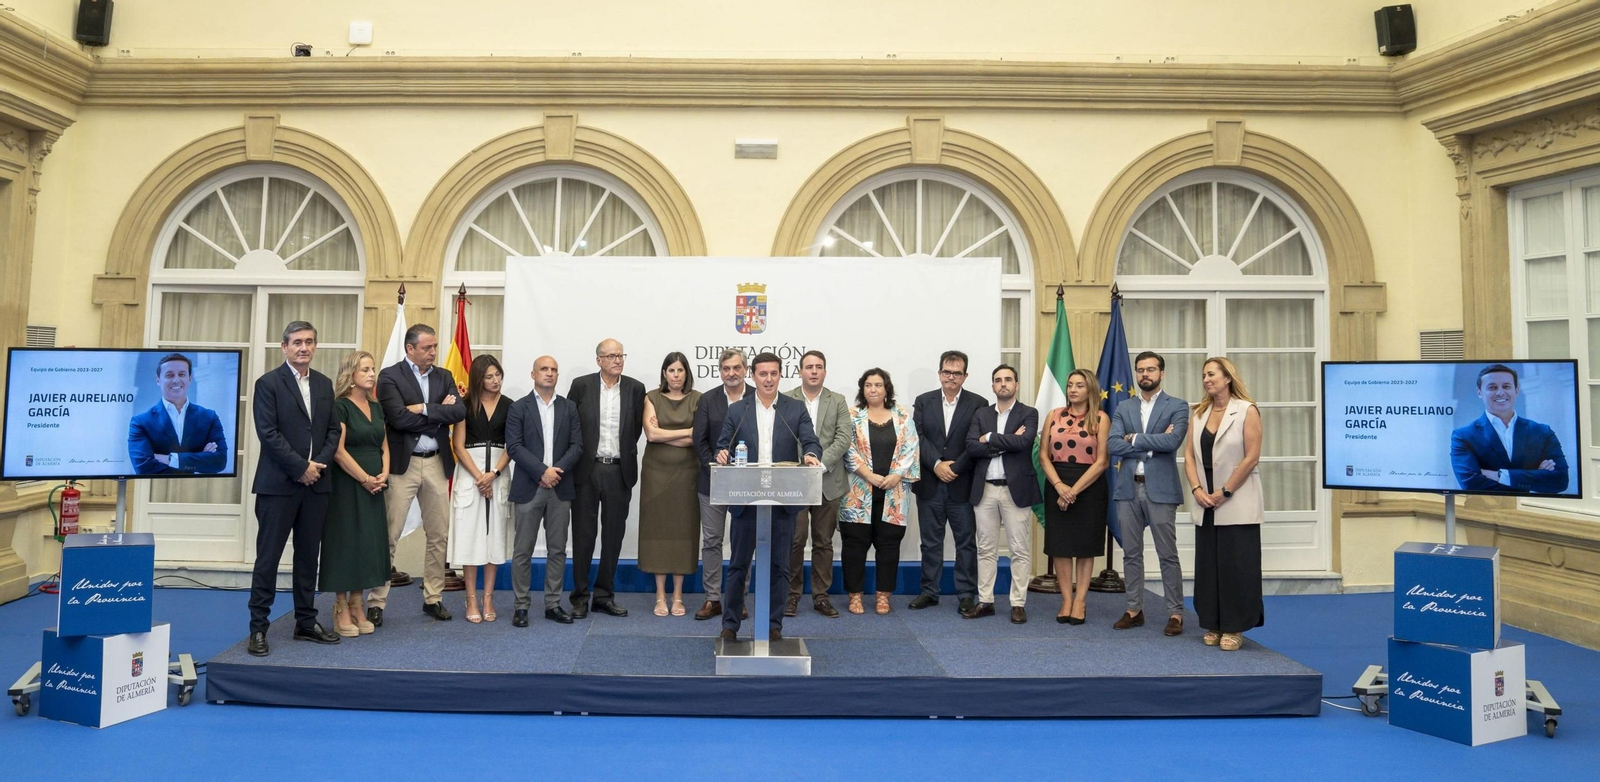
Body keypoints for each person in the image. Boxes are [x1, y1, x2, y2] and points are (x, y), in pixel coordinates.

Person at [246, 321, 341, 656]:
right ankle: (258, 628)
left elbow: (333, 432)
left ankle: (305, 622)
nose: (304, 347)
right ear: (284, 347)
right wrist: (301, 467)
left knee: (307, 557)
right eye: (297, 342)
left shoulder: (325, 384)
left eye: (310, 342)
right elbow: (268, 433)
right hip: (278, 486)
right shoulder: (268, 383)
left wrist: (316, 468)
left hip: (316, 485)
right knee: (268, 558)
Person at [714, 352, 822, 642]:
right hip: (746, 500)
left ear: (780, 375)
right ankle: (730, 625)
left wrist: (811, 455)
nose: (769, 379)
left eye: (774, 373)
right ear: (753, 375)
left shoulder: (795, 409)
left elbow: (810, 441)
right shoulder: (738, 410)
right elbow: (722, 445)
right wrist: (721, 453)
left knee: (780, 567)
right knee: (738, 565)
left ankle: (774, 625)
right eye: (763, 374)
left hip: (782, 499)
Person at [369, 324, 467, 625]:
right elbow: (397, 419)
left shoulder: (444, 376)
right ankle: (376, 601)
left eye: (435, 346)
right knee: (390, 534)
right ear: (410, 348)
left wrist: (423, 407)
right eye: (427, 347)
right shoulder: (390, 376)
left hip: (437, 462)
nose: (433, 352)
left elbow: (459, 412)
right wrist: (437, 413)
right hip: (403, 464)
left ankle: (433, 598)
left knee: (439, 534)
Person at [1184, 357, 1266, 652]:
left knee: (1236, 567)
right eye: (1204, 375)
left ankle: (1234, 626)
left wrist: (1225, 491)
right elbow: (1190, 457)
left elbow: (1251, 457)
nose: (1206, 379)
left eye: (1212, 374)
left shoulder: (1247, 410)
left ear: (1227, 377)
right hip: (1204, 501)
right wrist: (1196, 489)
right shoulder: (1198, 413)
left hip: (1236, 500)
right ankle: (1213, 623)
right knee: (1209, 567)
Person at [1106, 351, 1190, 636]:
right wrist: (1152, 445)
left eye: (1151, 369)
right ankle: (1133, 609)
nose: (1145, 374)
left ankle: (1175, 613)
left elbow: (1173, 440)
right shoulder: (1123, 408)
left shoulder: (1177, 406)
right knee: (1131, 553)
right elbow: (1113, 445)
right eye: (1140, 370)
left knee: (1168, 554)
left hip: (1161, 489)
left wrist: (1135, 438)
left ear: (1162, 373)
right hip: (1128, 488)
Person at [567, 338, 646, 619]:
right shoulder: (581, 385)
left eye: (620, 355)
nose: (617, 360)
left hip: (618, 470)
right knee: (583, 536)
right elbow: (570, 424)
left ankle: (604, 595)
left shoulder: (636, 388)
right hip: (586, 471)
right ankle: (579, 596)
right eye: (611, 356)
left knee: (613, 536)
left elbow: (635, 430)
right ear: (598, 360)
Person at [506, 355, 583, 626]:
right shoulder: (518, 408)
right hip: (530, 486)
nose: (549, 374)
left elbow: (577, 446)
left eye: (553, 370)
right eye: (544, 369)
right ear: (533, 374)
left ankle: (553, 604)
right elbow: (514, 447)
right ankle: (521, 606)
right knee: (523, 550)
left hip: (560, 488)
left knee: (557, 550)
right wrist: (542, 472)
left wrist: (555, 472)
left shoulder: (569, 407)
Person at [909, 350, 987, 615]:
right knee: (930, 542)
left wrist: (955, 466)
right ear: (939, 373)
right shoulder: (923, 401)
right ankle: (929, 592)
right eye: (946, 372)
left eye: (956, 373)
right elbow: (917, 436)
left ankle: (966, 594)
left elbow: (976, 441)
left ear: (965, 376)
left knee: (966, 542)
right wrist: (936, 464)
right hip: (930, 482)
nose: (951, 377)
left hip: (962, 483)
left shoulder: (979, 403)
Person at [320, 350, 391, 637]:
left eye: (373, 369)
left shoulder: (376, 406)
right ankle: (340, 606)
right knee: (346, 542)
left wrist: (384, 473)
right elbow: (338, 451)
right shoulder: (341, 406)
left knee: (368, 544)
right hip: (349, 485)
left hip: (376, 485)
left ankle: (358, 602)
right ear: (351, 375)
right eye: (365, 369)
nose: (372, 374)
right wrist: (364, 478)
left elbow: (384, 444)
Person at [963, 364, 1040, 623]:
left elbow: (1024, 442)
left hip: (1015, 489)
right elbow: (972, 447)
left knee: (1019, 549)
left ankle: (1018, 603)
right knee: (985, 549)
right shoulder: (981, 413)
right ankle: (985, 601)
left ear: (1016, 384)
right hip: (985, 490)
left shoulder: (1029, 413)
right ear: (993, 385)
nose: (1003, 384)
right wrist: (1004, 441)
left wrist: (991, 437)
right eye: (998, 380)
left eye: (1008, 379)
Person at [839, 368, 920, 615]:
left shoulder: (903, 416)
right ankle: (855, 596)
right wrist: (868, 475)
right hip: (857, 492)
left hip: (894, 493)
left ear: (887, 389)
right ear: (862, 389)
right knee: (854, 546)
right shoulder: (852, 416)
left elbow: (911, 447)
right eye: (868, 385)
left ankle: (883, 596)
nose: (873, 389)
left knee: (888, 546)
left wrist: (895, 475)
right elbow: (847, 448)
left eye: (878, 385)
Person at [1038, 368, 1111, 625]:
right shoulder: (1053, 415)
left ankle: (1080, 600)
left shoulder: (1101, 419)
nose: (1073, 390)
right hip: (1057, 482)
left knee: (1084, 546)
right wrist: (1059, 486)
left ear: (1090, 389)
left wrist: (1073, 491)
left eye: (1079, 385)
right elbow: (1043, 455)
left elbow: (1102, 461)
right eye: (1070, 385)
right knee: (1060, 546)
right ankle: (1066, 599)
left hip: (1088, 486)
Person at [784, 350, 852, 619]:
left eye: (819, 367)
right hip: (794, 481)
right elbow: (780, 436)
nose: (813, 371)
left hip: (828, 480)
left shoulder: (838, 400)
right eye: (808, 367)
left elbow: (843, 437)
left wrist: (821, 464)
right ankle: (791, 595)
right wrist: (802, 466)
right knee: (794, 541)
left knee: (823, 542)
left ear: (825, 371)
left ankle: (821, 596)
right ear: (800, 371)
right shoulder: (786, 399)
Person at [449, 355, 512, 624]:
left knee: (494, 536)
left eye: (498, 374)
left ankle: (488, 597)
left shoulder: (511, 406)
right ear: (478, 379)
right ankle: (471, 597)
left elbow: (513, 445)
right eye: (489, 376)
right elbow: (458, 445)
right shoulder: (464, 406)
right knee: (469, 536)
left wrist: (494, 474)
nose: (495, 380)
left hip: (498, 471)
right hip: (470, 473)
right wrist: (479, 477)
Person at [639, 352, 703, 617]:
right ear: (664, 373)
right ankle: (660, 595)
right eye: (671, 370)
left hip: (687, 474)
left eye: (680, 370)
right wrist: (687, 431)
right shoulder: (651, 398)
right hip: (656, 474)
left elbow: (699, 438)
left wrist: (670, 435)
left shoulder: (699, 399)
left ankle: (678, 595)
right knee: (658, 531)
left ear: (686, 373)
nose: (676, 375)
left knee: (683, 531)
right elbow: (652, 435)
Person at [691, 348, 752, 620]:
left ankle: (738, 600)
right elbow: (699, 439)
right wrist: (713, 463)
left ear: (745, 370)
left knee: (742, 543)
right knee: (712, 541)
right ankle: (712, 599)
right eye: (726, 368)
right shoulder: (708, 400)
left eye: (736, 368)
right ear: (720, 371)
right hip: (712, 482)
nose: (731, 373)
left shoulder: (757, 398)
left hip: (747, 484)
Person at [1450, 363, 1569, 494]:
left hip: (1527, 511)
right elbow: (1471, 484)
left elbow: (1560, 481)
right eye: (1492, 387)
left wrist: (1500, 476)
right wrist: (1535, 477)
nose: (1500, 392)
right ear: (1479, 393)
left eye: (1506, 386)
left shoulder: (1542, 432)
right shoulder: (1464, 436)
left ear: (1516, 390)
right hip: (1480, 511)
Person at [128, 352, 228, 475]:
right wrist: (200, 459)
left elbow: (219, 462)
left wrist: (168, 459)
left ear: (190, 378)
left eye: (182, 374)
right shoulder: (141, 422)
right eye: (169, 375)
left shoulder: (209, 417)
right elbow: (143, 468)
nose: (176, 380)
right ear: (158, 380)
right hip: (155, 488)